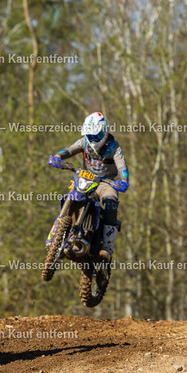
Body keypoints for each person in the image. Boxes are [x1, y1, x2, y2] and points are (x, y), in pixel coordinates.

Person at [52, 112, 129, 262]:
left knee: (111, 201)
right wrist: (57, 157)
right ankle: (61, 234)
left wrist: (124, 180)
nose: (93, 139)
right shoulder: (84, 142)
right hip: (86, 177)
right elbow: (69, 150)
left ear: (104, 131)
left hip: (106, 182)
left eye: (96, 136)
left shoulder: (114, 147)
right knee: (71, 193)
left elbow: (122, 167)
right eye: (90, 135)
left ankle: (107, 248)